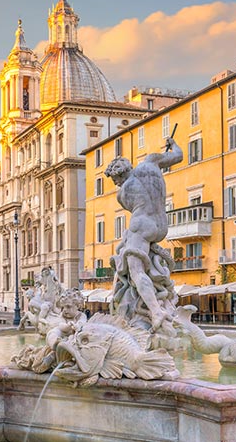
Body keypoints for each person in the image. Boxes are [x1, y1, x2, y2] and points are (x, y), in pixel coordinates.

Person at [105, 136, 183, 331]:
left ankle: (156, 312)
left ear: (119, 176)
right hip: (161, 225)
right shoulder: (151, 162)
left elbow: (133, 209)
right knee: (128, 249)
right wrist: (172, 144)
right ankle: (156, 301)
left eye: (115, 180)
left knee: (136, 270)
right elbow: (178, 156)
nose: (116, 184)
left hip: (141, 224)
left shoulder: (122, 193)